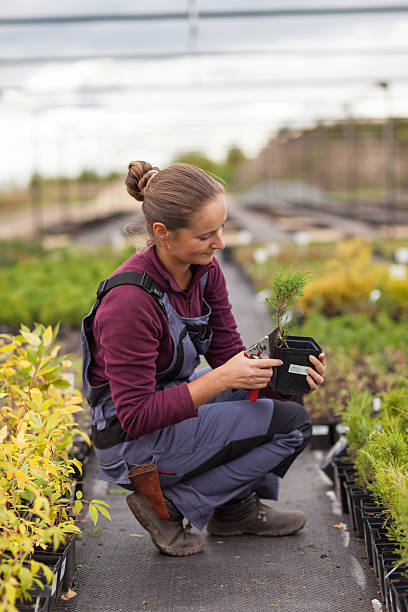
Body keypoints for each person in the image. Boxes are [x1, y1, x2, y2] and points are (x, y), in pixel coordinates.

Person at [81, 161, 326, 557]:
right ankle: (170, 506)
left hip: (171, 408)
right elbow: (137, 416)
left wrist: (290, 373)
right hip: (131, 443)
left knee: (285, 400)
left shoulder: (205, 272)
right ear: (162, 233)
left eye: (222, 227)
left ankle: (232, 510)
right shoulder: (129, 302)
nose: (221, 243)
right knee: (290, 427)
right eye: (206, 234)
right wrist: (220, 379)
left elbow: (228, 354)